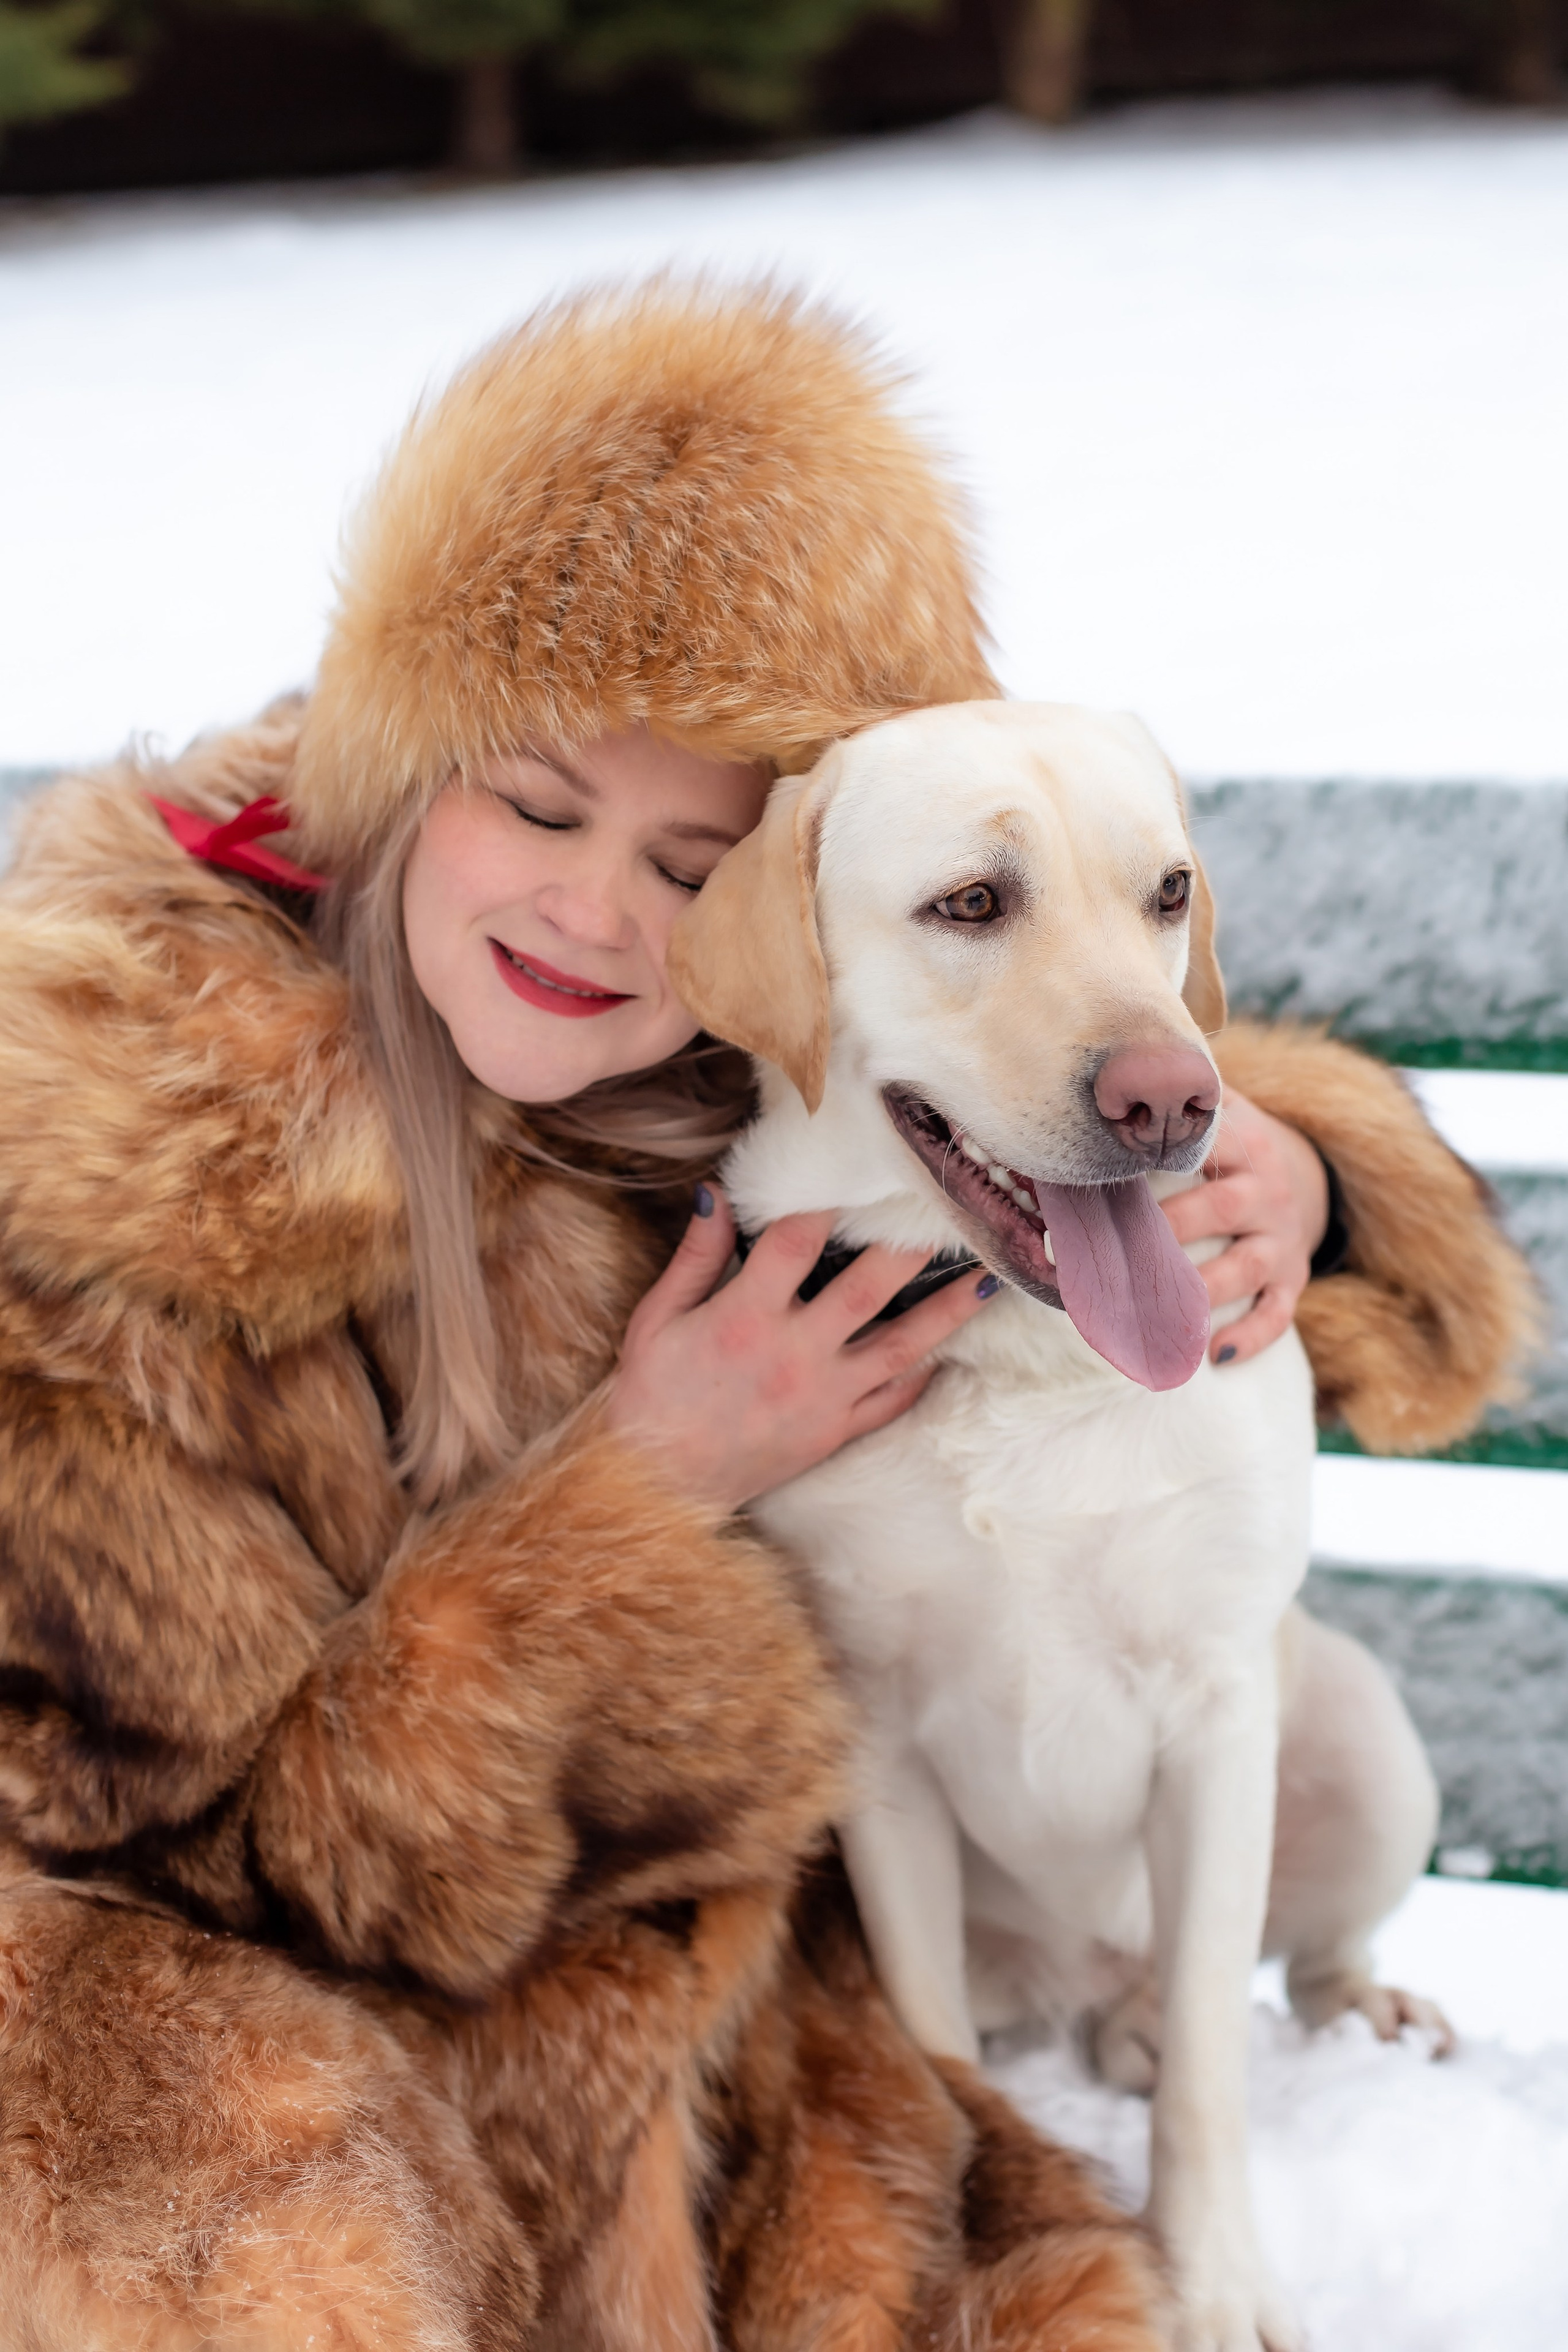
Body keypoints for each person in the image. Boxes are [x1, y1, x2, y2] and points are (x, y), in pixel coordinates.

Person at [0, 284, 1528, 2351]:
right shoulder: (116, 1168)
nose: (597, 912)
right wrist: (637, 1495)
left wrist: (1307, 1178)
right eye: (538, 806)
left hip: (726, 1971)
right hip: (195, 2011)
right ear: (399, 771)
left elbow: (1043, 1027)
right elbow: (180, 1857)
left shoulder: (758, 1042)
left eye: (692, 860)